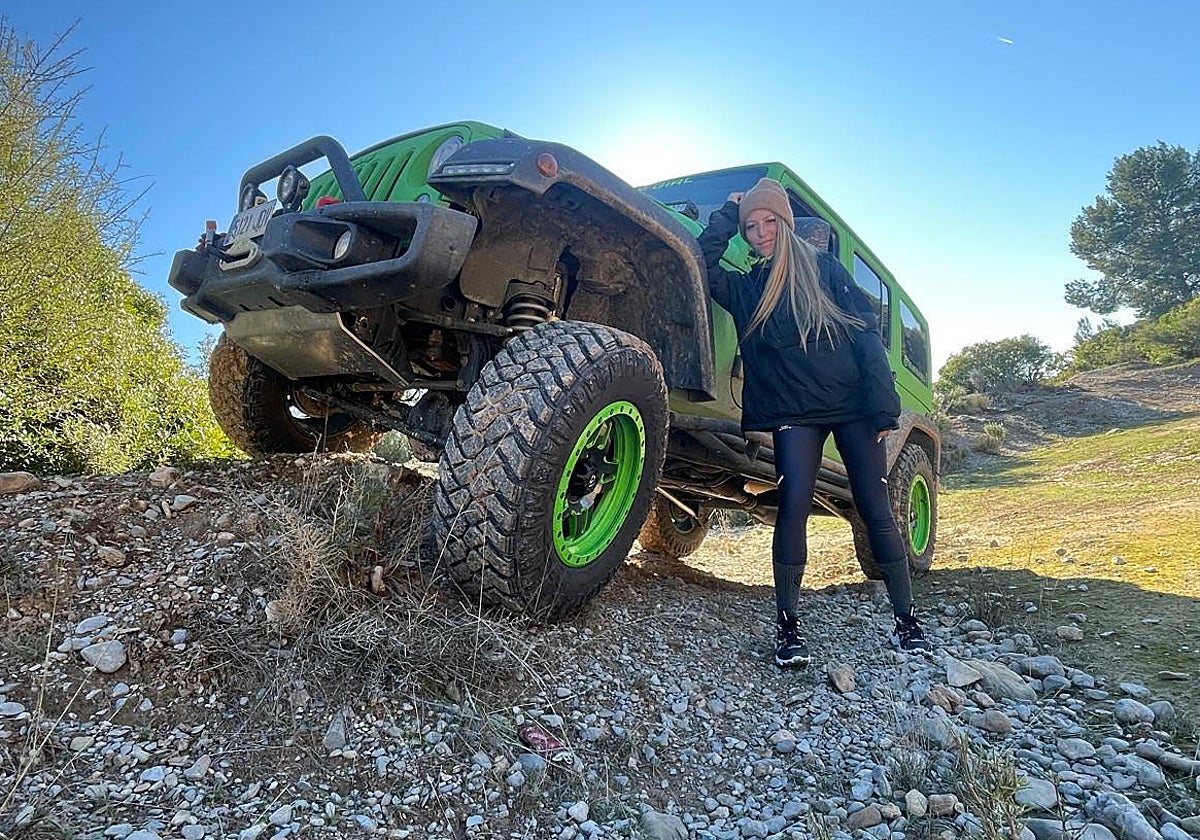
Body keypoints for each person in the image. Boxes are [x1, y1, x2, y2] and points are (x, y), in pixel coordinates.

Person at [696, 177, 931, 667]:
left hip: (853, 406)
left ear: (786, 222)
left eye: (769, 221)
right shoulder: (749, 287)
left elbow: (865, 333)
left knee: (874, 505)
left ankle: (907, 621)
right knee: (794, 504)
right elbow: (703, 261)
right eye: (751, 226)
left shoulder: (825, 270)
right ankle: (788, 629)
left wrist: (883, 406)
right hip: (794, 413)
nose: (761, 233)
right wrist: (727, 214)